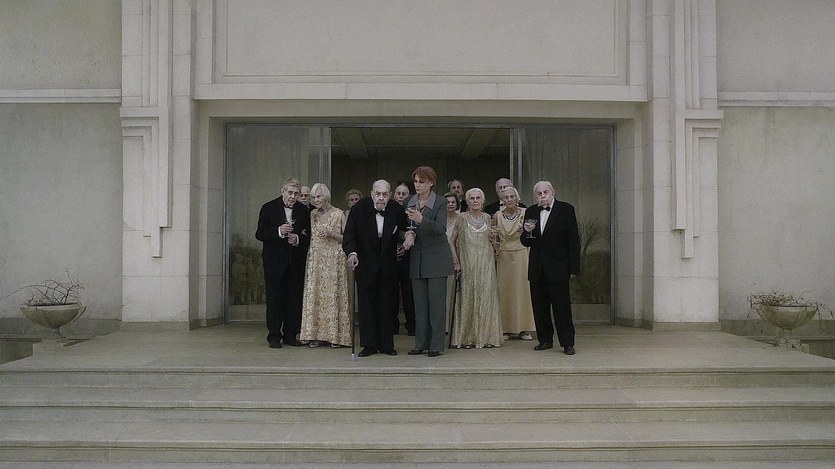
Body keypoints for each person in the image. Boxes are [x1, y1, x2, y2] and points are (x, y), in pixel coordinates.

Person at [343, 180, 408, 357]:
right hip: (365, 263)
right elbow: (349, 236)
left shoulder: (396, 209)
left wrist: (407, 239)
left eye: (385, 194)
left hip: (388, 264)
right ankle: (369, 345)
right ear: (372, 194)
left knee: (387, 305)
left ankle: (387, 345)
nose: (381, 197)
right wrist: (352, 254)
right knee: (366, 305)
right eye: (378, 194)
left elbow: (403, 230)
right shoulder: (358, 209)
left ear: (390, 195)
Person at [520, 181, 581, 355]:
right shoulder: (531, 211)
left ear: (553, 193)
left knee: (562, 307)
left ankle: (567, 343)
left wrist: (574, 268)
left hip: (559, 267)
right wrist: (527, 231)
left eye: (545, 192)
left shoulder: (566, 209)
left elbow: (573, 240)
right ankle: (545, 340)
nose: (542, 196)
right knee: (540, 307)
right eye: (539, 193)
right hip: (537, 268)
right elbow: (526, 242)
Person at [402, 166, 454, 358]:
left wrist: (421, 219)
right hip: (417, 259)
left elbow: (440, 229)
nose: (417, 185)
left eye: (421, 182)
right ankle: (420, 344)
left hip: (437, 259)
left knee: (436, 305)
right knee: (420, 306)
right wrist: (407, 235)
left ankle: (436, 345)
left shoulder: (440, 202)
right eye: (415, 181)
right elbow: (401, 227)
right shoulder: (409, 201)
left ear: (431, 183)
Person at [255, 177, 311, 348]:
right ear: (282, 191)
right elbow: (260, 234)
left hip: (296, 262)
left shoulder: (303, 210)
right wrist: (278, 231)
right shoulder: (268, 207)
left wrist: (298, 239)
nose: (293, 196)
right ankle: (273, 335)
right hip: (274, 263)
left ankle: (290, 335)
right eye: (290, 192)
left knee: (293, 299)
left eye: (296, 193)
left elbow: (309, 235)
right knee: (274, 299)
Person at [449, 188, 503, 349]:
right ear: (467, 201)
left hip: (486, 264)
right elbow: (452, 241)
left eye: (478, 198)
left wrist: (495, 239)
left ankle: (487, 337)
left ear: (483, 200)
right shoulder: (461, 218)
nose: (475, 201)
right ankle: (466, 338)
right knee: (468, 296)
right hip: (467, 263)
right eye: (472, 198)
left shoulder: (487, 218)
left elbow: (494, 244)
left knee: (486, 297)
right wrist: (456, 261)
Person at [299, 183, 351, 348]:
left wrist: (331, 233)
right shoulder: (312, 214)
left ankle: (335, 336)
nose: (316, 200)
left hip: (334, 259)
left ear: (326, 196)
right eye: (313, 197)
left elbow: (348, 238)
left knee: (332, 295)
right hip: (315, 259)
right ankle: (315, 335)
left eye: (319, 196)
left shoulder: (338, 213)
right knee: (315, 296)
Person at [493, 186, 536, 341]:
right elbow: (494, 236)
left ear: (517, 198)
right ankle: (505, 328)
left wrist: (527, 231)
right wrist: (495, 249)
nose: (510, 199)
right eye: (506, 197)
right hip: (504, 255)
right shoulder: (497, 215)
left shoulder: (526, 213)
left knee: (522, 291)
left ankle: (523, 328)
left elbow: (532, 235)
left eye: (512, 196)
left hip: (522, 254)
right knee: (505, 291)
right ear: (502, 200)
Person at [392, 182, 415, 335]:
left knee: (409, 294)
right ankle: (392, 325)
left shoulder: (413, 212)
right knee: (392, 293)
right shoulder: (389, 210)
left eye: (404, 194)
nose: (401, 196)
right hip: (391, 258)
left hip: (409, 258)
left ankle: (412, 325)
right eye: (398, 193)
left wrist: (405, 247)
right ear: (394, 195)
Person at [342, 189, 363, 319]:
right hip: (348, 253)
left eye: (357, 199)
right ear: (348, 202)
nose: (354, 202)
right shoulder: (344, 215)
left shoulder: (365, 213)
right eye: (352, 200)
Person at [443, 191, 460, 332]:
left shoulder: (461, 219)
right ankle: (442, 325)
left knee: (452, 293)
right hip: (440, 260)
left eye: (453, 202)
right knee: (441, 294)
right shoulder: (438, 219)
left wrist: (457, 261)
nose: (450, 204)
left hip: (456, 259)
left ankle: (452, 326)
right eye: (447, 202)